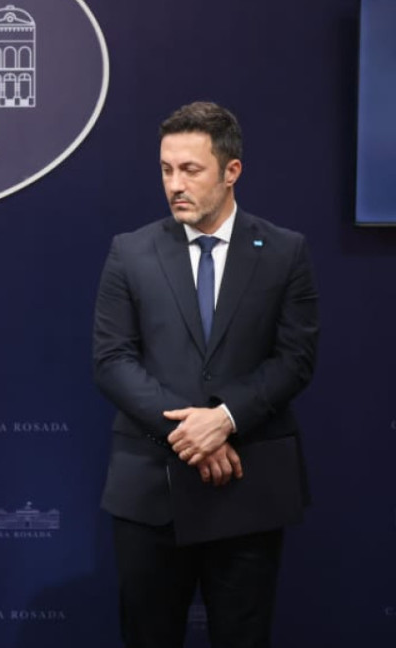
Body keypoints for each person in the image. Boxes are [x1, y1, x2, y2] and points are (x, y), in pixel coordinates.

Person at [92, 101, 318, 647]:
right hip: (150, 487)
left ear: (231, 171)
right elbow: (112, 360)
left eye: (190, 170)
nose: (175, 184)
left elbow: (296, 359)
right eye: (166, 169)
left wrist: (226, 418)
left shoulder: (285, 252)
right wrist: (191, 432)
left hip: (248, 484)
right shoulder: (131, 252)